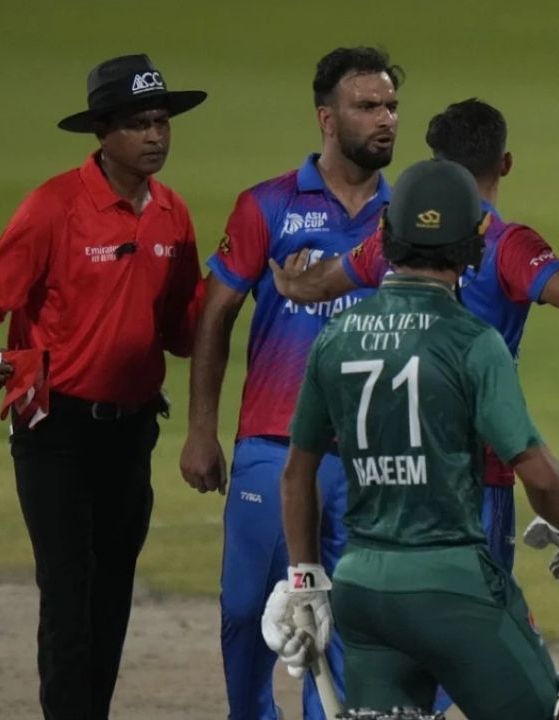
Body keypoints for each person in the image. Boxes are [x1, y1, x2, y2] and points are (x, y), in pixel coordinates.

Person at [264, 159, 559, 720]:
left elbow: (296, 473)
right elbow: (537, 472)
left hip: (363, 592)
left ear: (385, 236)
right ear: (472, 247)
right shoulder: (473, 341)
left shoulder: (335, 338)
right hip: (451, 588)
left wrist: (304, 580)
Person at [271, 98, 559, 574]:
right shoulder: (505, 244)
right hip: (478, 472)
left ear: (437, 164)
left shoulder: (397, 242)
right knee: (480, 605)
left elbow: (323, 282)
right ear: (505, 163)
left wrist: (290, 284)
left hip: (388, 468)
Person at [0, 54, 206, 720]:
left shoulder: (172, 215)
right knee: (68, 594)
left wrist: (237, 285)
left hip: (132, 431)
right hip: (53, 429)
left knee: (111, 594)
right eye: (139, 124)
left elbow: (182, 330)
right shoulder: (54, 207)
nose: (156, 136)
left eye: (162, 122)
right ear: (102, 132)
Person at [178, 46, 400, 720]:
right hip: (274, 445)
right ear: (327, 119)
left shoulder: (405, 218)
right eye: (368, 106)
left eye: (391, 106)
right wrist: (201, 431)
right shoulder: (268, 205)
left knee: (344, 622)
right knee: (248, 610)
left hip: (368, 457)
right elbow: (216, 315)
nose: (385, 119)